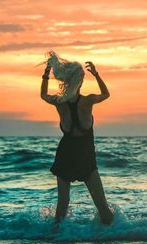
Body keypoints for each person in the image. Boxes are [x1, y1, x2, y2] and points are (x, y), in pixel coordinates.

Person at [40, 51, 113, 225]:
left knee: (62, 205)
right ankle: (113, 236)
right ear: (80, 81)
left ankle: (57, 239)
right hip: (85, 156)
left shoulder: (60, 103)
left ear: (66, 81)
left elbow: (43, 95)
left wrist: (45, 75)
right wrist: (96, 74)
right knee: (102, 206)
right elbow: (106, 94)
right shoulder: (87, 101)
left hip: (65, 155)